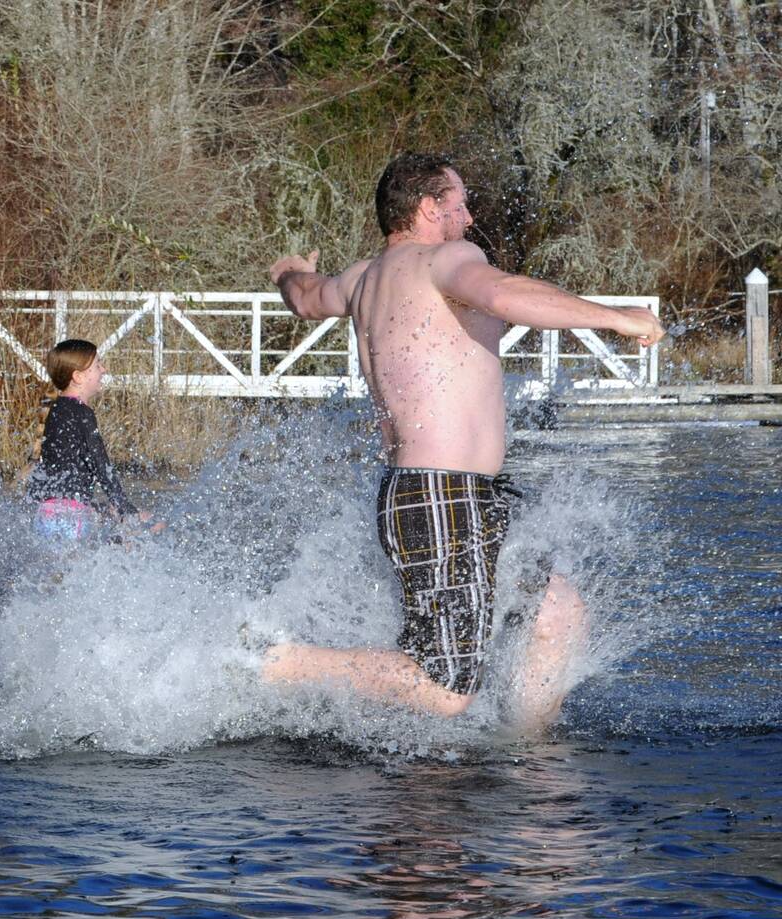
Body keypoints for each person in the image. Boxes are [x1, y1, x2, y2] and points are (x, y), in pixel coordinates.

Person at [262, 152, 664, 733]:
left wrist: (285, 271)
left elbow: (304, 296)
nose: (469, 218)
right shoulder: (446, 259)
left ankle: (525, 755)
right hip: (442, 494)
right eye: (459, 203)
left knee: (558, 610)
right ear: (428, 208)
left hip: (454, 493)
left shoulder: (362, 278)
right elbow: (502, 295)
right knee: (446, 689)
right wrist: (615, 317)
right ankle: (278, 663)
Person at [25, 340, 154, 542]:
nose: (104, 369)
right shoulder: (82, 412)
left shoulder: (56, 408)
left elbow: (58, 472)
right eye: (97, 365)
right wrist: (124, 507)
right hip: (70, 517)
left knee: (56, 571)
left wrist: (103, 509)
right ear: (78, 376)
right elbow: (99, 462)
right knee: (141, 533)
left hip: (46, 512)